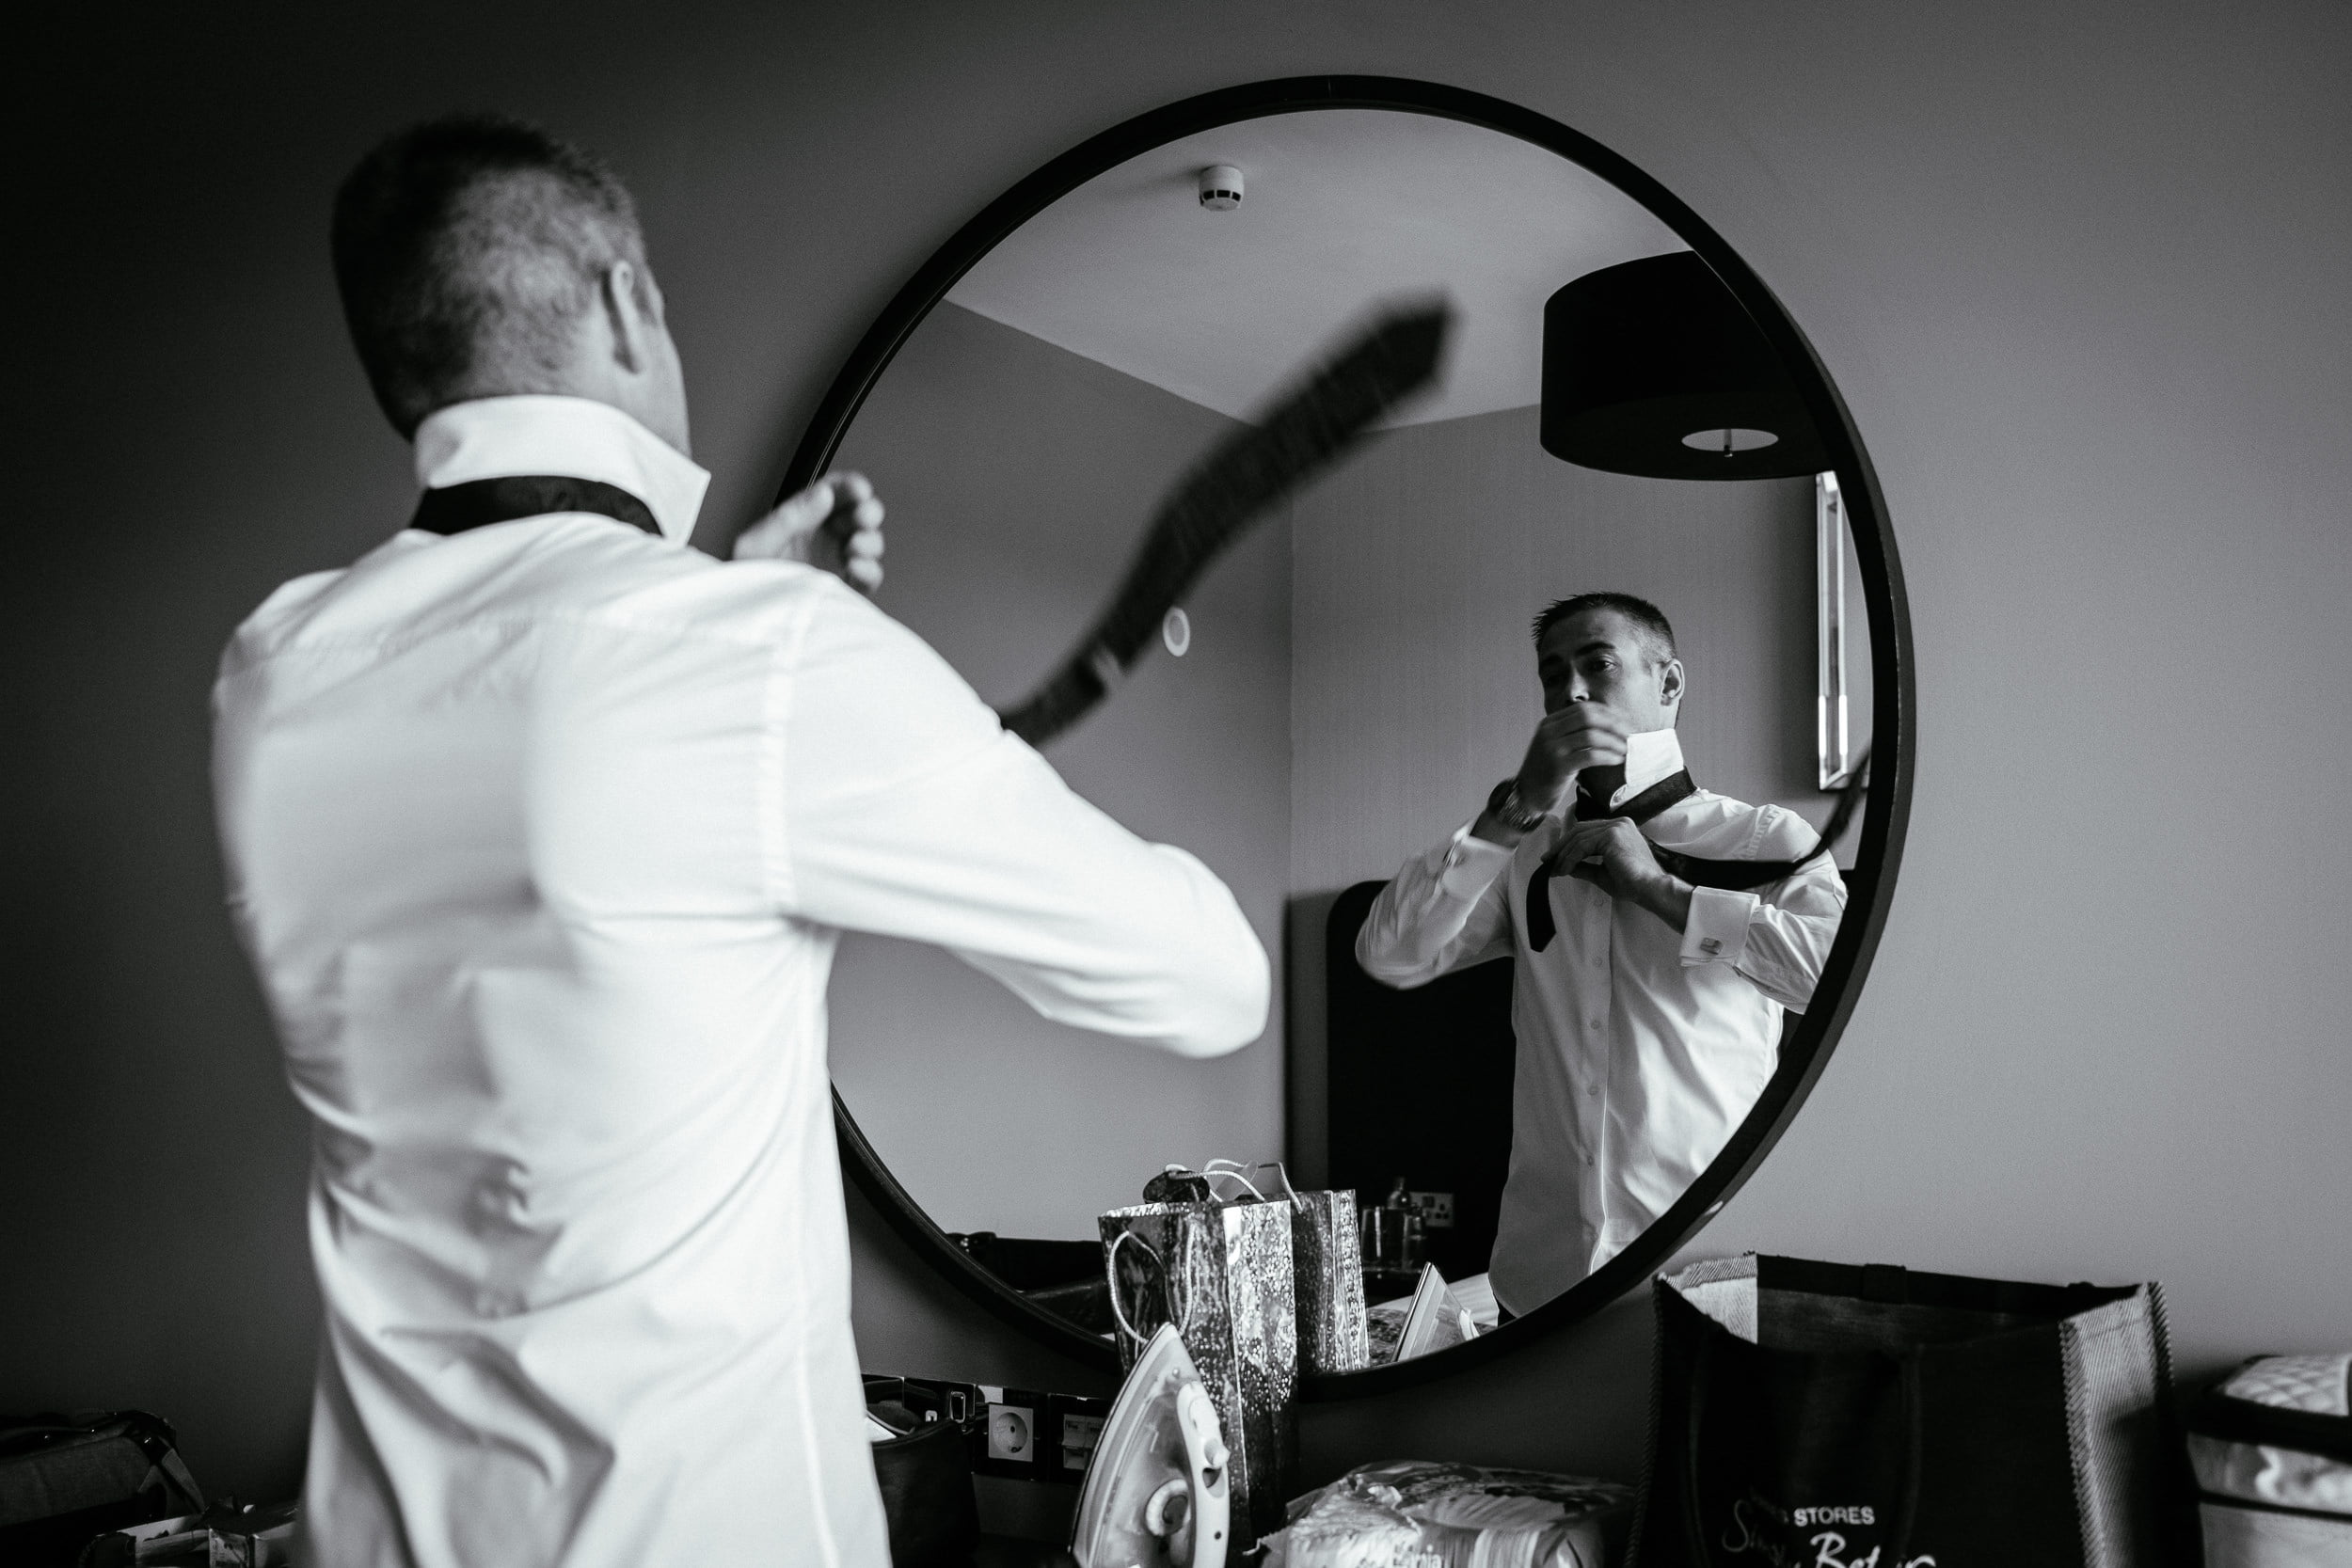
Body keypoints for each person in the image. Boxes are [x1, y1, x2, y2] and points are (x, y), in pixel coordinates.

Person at [210, 115, 1268, 1568]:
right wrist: (857, 690)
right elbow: (1209, 981)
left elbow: (562, 757)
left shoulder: (276, 665)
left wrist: (736, 612)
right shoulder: (755, 662)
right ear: (630, 301)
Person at [1354, 593, 1841, 1316]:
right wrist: (1516, 806)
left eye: (1597, 665)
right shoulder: (1523, 856)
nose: (1571, 692)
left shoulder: (1764, 839)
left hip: (1704, 1280)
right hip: (1539, 1284)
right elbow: (1388, 953)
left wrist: (1660, 890)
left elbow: (1834, 980)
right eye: (1553, 674)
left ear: (1669, 684)